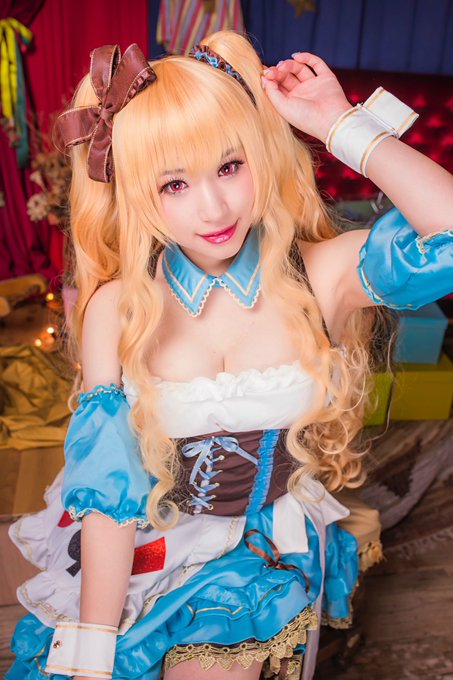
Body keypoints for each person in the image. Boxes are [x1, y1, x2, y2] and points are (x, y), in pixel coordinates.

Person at [7, 30, 453, 680]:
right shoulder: (117, 308)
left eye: (229, 167)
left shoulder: (320, 275)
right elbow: (108, 497)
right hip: (143, 550)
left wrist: (340, 125)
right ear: (135, 190)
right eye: (174, 184)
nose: (213, 207)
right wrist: (92, 657)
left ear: (258, 155)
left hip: (262, 553)